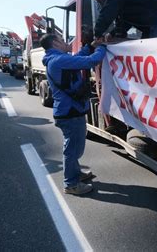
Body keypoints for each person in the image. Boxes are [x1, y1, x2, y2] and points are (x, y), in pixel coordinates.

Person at [40, 33, 107, 195]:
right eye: (62, 40)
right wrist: (102, 47)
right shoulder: (59, 61)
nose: (66, 42)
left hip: (70, 110)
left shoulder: (58, 59)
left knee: (74, 147)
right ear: (55, 43)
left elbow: (79, 58)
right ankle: (70, 184)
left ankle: (75, 174)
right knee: (72, 150)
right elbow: (90, 61)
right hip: (69, 112)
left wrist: (90, 46)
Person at [92, 0, 157, 42]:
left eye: (99, 1)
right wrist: (112, 34)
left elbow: (107, 14)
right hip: (150, 16)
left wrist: (97, 34)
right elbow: (125, 22)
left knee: (152, 47)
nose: (100, 3)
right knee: (145, 47)